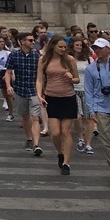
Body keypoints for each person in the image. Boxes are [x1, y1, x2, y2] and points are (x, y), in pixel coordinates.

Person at [37, 34, 80, 175]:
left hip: (68, 97)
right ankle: (60, 153)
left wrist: (71, 78)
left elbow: (77, 79)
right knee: (55, 133)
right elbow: (39, 80)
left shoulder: (69, 59)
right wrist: (39, 94)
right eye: (60, 47)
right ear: (53, 46)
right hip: (52, 97)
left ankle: (67, 163)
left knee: (65, 132)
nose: (63, 49)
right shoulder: (44, 60)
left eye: (64, 47)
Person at [5, 30, 44, 156]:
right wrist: (8, 85)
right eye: (30, 40)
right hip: (20, 89)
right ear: (22, 42)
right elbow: (8, 72)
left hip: (34, 90)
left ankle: (36, 144)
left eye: (33, 40)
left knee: (35, 117)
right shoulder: (14, 55)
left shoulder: (37, 56)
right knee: (25, 116)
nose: (33, 42)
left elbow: (40, 75)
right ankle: (29, 138)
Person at [82, 37, 110, 184]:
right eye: (96, 48)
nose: (98, 51)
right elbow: (88, 91)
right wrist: (91, 109)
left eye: (101, 48)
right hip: (101, 107)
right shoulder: (91, 68)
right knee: (108, 141)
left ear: (109, 49)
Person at [71, 34, 95, 155]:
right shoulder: (68, 58)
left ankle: (88, 143)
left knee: (89, 117)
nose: (79, 47)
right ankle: (80, 138)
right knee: (77, 116)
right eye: (77, 45)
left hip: (87, 90)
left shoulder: (89, 59)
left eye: (81, 45)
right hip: (73, 89)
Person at [0, 34, 14, 122]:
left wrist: (10, 75)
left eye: (3, 42)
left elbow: (11, 66)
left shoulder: (7, 53)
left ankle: (10, 113)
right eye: (0, 41)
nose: (2, 43)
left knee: (8, 96)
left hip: (5, 73)